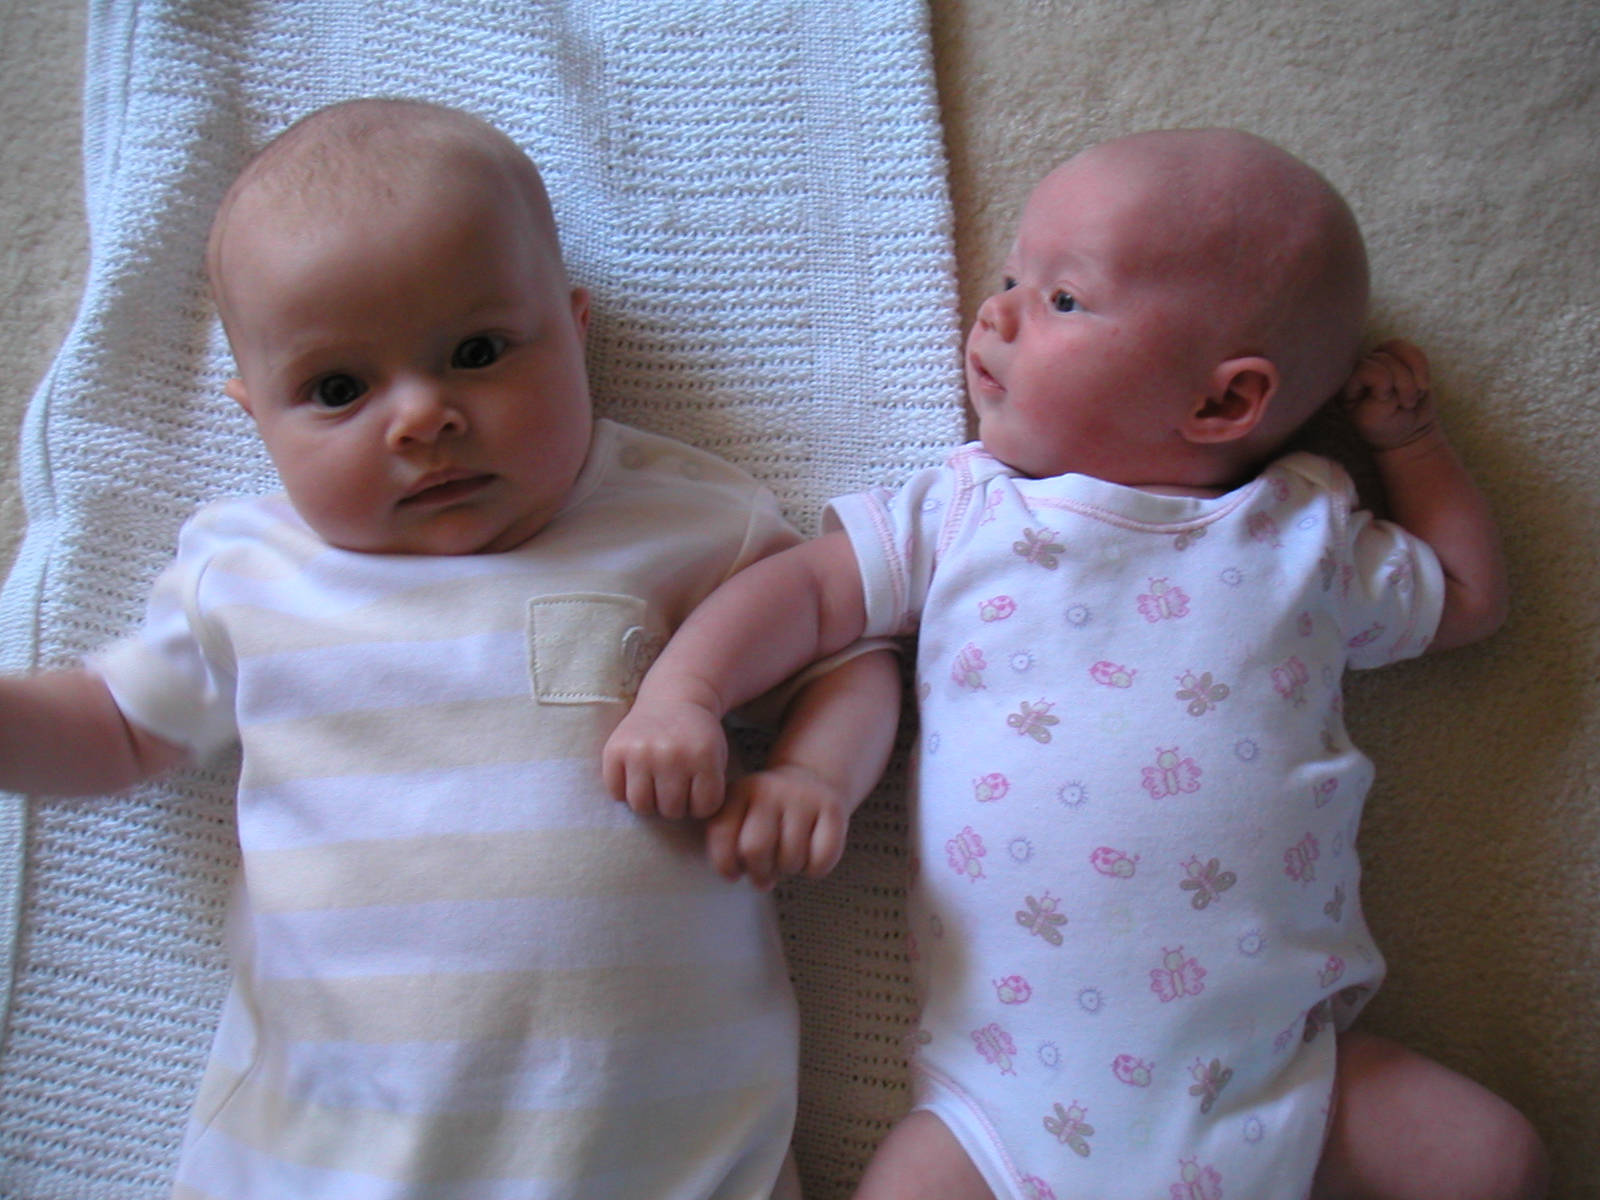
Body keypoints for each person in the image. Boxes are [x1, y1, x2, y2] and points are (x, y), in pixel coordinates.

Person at [603, 129, 1548, 1200]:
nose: (995, 313)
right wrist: (684, 692)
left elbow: (1467, 598)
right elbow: (809, 595)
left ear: (1222, 402)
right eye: (1011, 277)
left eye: (1061, 299)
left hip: (1276, 1078)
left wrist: (1413, 451)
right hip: (1006, 1104)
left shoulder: (1304, 534)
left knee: (1495, 1159)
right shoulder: (968, 511)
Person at [0, 98, 900, 1199]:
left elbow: (844, 650)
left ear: (573, 329)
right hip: (326, 1161)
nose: (422, 418)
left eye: (477, 352)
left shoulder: (680, 520)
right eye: (338, 389)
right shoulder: (248, 573)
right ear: (256, 415)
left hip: (671, 1158)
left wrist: (812, 773)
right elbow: (111, 726)